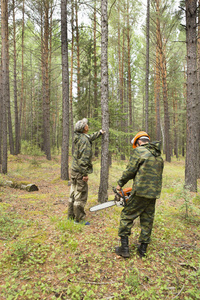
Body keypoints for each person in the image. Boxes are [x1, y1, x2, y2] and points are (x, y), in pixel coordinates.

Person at [115, 131, 164, 258]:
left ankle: (124, 248)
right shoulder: (158, 155)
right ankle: (143, 249)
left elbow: (130, 171)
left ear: (138, 142)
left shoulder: (139, 151)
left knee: (126, 216)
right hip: (153, 193)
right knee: (147, 219)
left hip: (140, 192)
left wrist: (120, 183)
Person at [68, 118, 105, 224]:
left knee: (73, 193)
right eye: (86, 125)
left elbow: (89, 137)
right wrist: (84, 174)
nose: (88, 125)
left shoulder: (79, 137)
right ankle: (79, 219)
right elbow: (84, 159)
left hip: (74, 170)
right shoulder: (84, 141)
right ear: (84, 128)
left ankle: (70, 216)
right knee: (80, 195)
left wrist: (99, 133)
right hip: (80, 171)